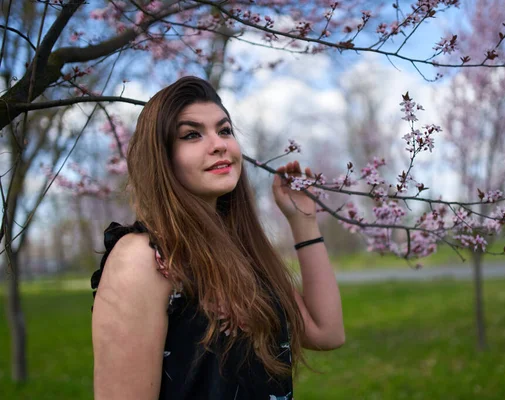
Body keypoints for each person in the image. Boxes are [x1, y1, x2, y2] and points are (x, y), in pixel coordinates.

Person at [90, 76, 345, 400]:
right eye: (192, 134)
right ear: (162, 157)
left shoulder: (242, 254)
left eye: (224, 130)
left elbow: (327, 332)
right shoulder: (145, 258)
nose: (219, 144)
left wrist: (304, 221)